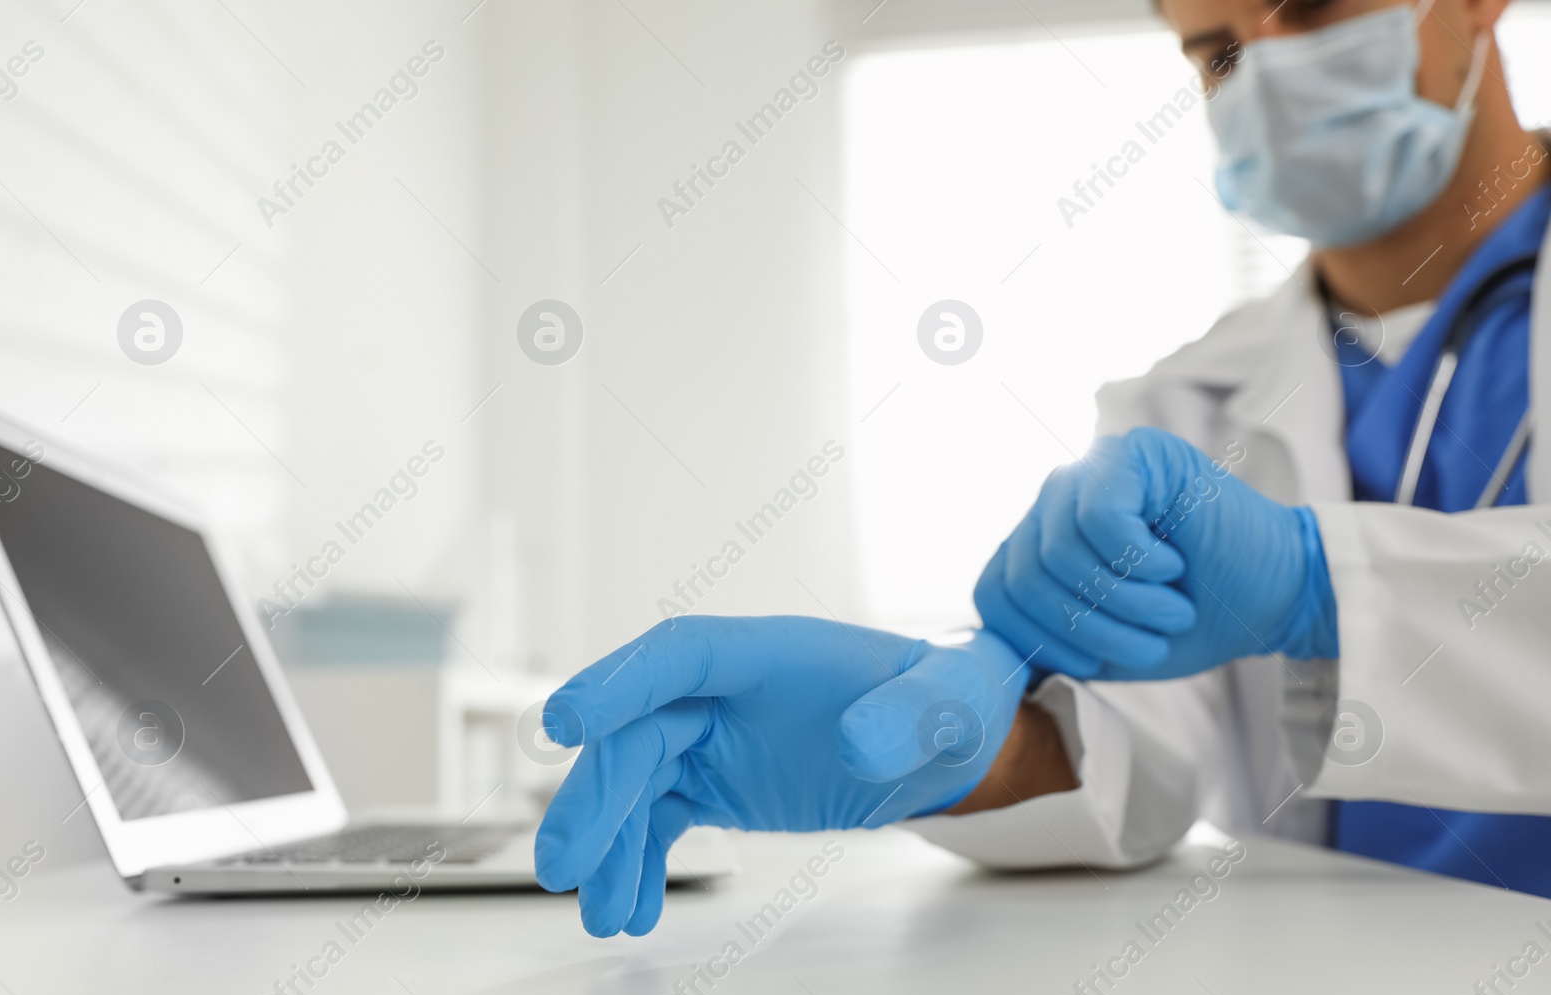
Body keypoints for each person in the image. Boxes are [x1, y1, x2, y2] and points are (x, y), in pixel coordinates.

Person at [534, 0, 1551, 937]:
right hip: (1344, 994)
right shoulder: (1187, 401)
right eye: (1220, 52)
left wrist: (1314, 582)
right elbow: (1148, 746)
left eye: (1315, 8)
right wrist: (953, 745)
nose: (1270, 76)